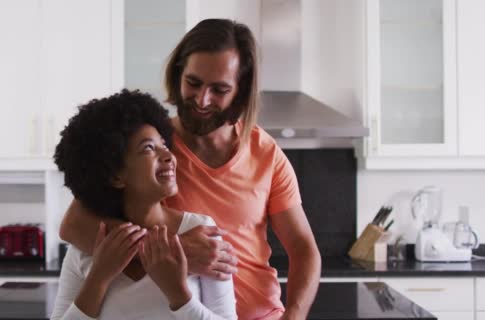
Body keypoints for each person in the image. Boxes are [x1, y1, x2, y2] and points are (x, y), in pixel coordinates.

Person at [59, 19, 321, 320]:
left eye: (219, 89)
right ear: (178, 75)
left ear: (240, 91)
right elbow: (74, 225)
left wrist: (295, 315)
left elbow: (303, 248)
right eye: (193, 83)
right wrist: (177, 251)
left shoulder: (265, 152)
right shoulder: (152, 152)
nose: (201, 100)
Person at [51, 89, 237, 319]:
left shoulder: (201, 233)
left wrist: (178, 294)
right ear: (116, 176)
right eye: (148, 148)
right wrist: (98, 278)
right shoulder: (88, 245)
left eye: (164, 145)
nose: (168, 156)